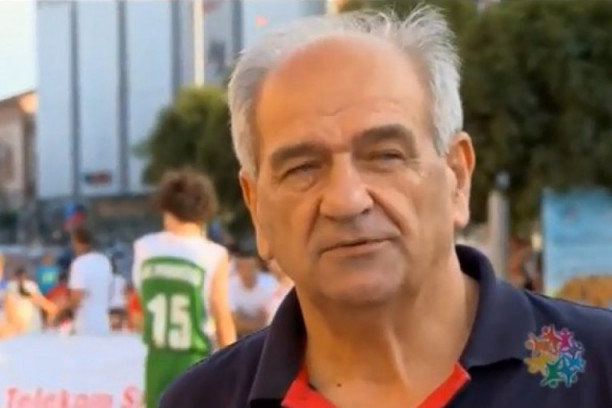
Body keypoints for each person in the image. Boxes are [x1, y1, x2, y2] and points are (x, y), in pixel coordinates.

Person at [160, 7, 612, 408]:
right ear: (256, 206)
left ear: (457, 176)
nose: (346, 201)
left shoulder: (591, 368)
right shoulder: (206, 400)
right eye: (303, 168)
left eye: (385, 156)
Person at [131, 169, 236, 408]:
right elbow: (221, 316)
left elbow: (138, 312)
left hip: (156, 360)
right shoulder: (213, 254)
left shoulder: (144, 248)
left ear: (166, 207)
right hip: (195, 359)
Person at [67, 227, 114, 335]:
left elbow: (77, 296)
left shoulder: (79, 263)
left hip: (85, 326)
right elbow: (110, 291)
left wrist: (63, 313)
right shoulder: (104, 261)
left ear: (76, 242)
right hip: (103, 324)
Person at [227, 246, 276, 337]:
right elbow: (232, 322)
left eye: (249, 267)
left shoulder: (270, 283)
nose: (246, 271)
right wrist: (257, 322)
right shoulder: (230, 286)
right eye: (242, 267)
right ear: (237, 269)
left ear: (257, 266)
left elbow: (270, 320)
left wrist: (243, 321)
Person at [2, 267, 57, 336]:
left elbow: (41, 301)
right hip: (22, 326)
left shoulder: (29, 286)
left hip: (28, 325)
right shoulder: (12, 287)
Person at [266, 259, 293, 324]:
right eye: (269, 263)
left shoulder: (293, 286)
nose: (270, 266)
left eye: (273, 262)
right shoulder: (271, 285)